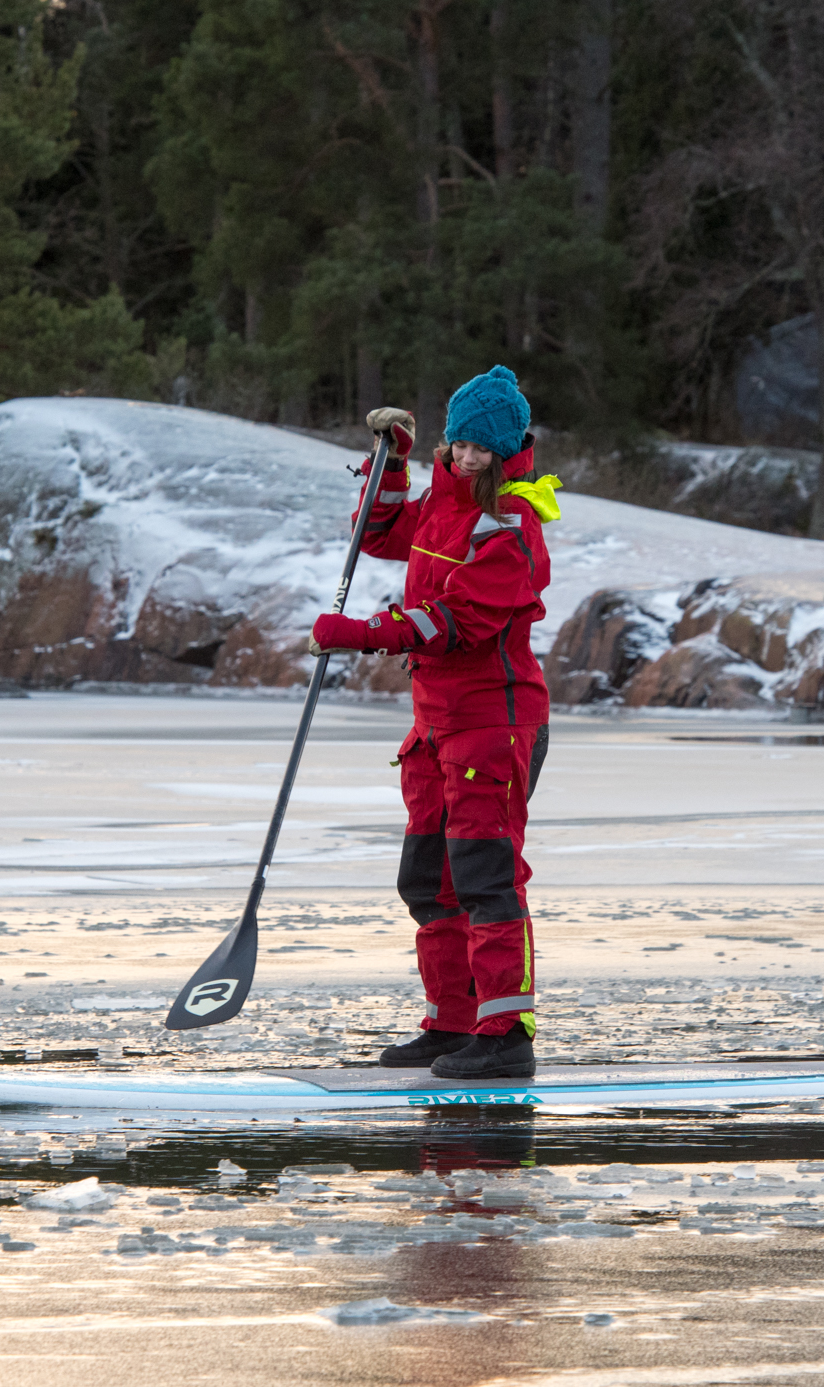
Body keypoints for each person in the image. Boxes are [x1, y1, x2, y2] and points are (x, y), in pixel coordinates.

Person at [308, 365, 562, 1080]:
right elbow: (380, 530)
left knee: (486, 878)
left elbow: (459, 621)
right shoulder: (442, 501)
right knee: (428, 880)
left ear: (508, 450)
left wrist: (363, 634)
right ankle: (452, 1022)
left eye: (484, 449)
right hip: (434, 727)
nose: (469, 458)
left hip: (496, 722)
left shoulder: (513, 526)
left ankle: (505, 1031)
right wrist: (392, 462)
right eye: (459, 444)